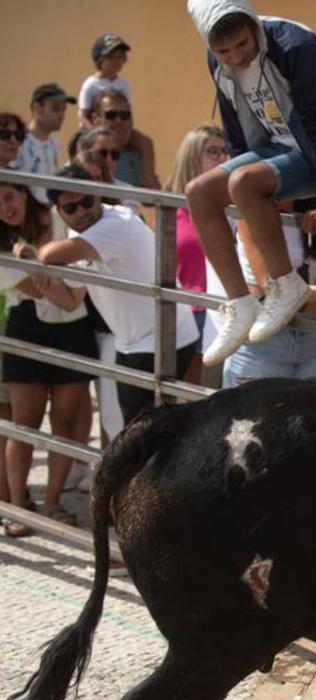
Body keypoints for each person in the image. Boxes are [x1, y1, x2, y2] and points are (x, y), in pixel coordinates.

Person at [184, 0, 316, 367]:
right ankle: (240, 303)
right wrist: (238, 180)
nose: (236, 57)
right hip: (277, 148)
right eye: (224, 51)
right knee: (199, 192)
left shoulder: (295, 46)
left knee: (244, 182)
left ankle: (286, 284)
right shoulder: (217, 60)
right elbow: (235, 126)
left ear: (253, 25)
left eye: (242, 44)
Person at [36, 165, 199, 424]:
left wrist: (35, 258)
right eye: (71, 208)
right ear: (59, 211)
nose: (82, 212)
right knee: (143, 432)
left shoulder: (115, 225)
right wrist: (39, 278)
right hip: (137, 340)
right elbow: (71, 301)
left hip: (163, 338)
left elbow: (48, 255)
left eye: (87, 201)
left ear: (98, 195)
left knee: (142, 434)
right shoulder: (79, 235)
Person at [0, 181, 97, 536]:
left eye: (9, 197)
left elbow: (72, 299)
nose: (5, 208)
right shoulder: (3, 243)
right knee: (23, 425)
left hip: (74, 332)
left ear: (24, 193)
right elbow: (62, 296)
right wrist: (33, 264)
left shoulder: (63, 220)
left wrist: (35, 263)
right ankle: (16, 508)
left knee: (65, 422)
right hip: (26, 327)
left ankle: (54, 503)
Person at [222, 198, 316, 387]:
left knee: (314, 416)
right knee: (258, 415)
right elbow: (271, 287)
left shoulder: (314, 215)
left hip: (313, 338)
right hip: (265, 339)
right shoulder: (252, 214)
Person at [164, 124, 229, 383]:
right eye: (213, 152)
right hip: (186, 315)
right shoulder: (169, 209)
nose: (223, 158)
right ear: (192, 157)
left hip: (221, 312)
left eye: (225, 151)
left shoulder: (231, 208)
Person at [78, 32, 158, 185]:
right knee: (86, 147)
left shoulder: (124, 84)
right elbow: (82, 115)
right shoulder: (91, 84)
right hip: (92, 130)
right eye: (112, 57)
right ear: (99, 59)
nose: (117, 61)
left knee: (145, 142)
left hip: (118, 130)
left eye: (120, 57)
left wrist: (126, 133)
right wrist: (95, 133)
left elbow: (128, 113)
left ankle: (148, 180)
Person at [16, 84, 75, 178]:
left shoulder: (54, 142)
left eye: (63, 109)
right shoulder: (18, 142)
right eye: (55, 109)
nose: (61, 115)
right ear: (37, 108)